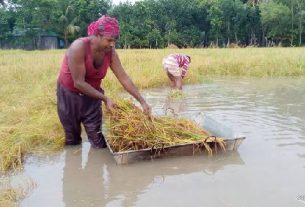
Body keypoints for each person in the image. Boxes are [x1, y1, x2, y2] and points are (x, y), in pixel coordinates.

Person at [57, 15, 151, 148]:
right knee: (73, 140)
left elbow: (124, 78)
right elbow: (79, 82)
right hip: (69, 96)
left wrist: (142, 101)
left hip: (93, 96)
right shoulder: (78, 47)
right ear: (97, 35)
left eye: (114, 41)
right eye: (109, 40)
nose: (112, 44)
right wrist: (105, 99)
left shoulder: (110, 52)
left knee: (98, 142)